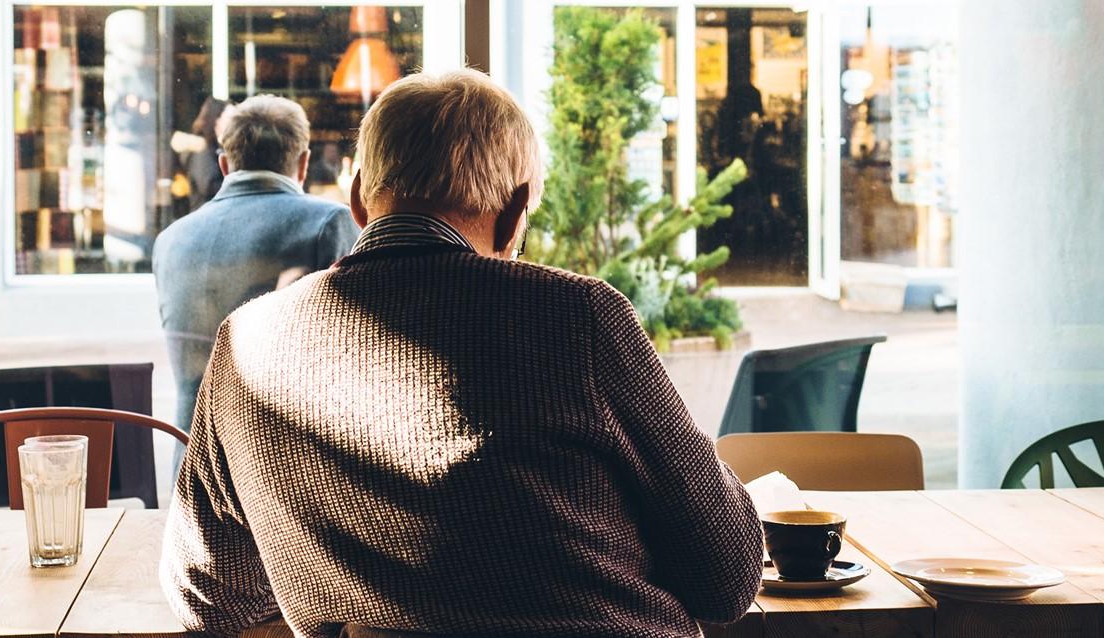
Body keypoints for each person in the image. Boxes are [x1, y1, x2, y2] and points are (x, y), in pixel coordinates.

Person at [159, 69, 763, 638]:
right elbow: (727, 578)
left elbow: (206, 596)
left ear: (359, 201)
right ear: (513, 213)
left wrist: (343, 582)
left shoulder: (247, 342)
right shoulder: (580, 318)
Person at [153, 95, 359, 438]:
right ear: (304, 164)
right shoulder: (327, 224)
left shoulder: (170, 239)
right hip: (282, 466)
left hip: (191, 466)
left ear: (224, 165)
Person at [185, 97, 232, 211]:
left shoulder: (216, 148)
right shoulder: (203, 149)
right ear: (216, 121)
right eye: (230, 119)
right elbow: (208, 186)